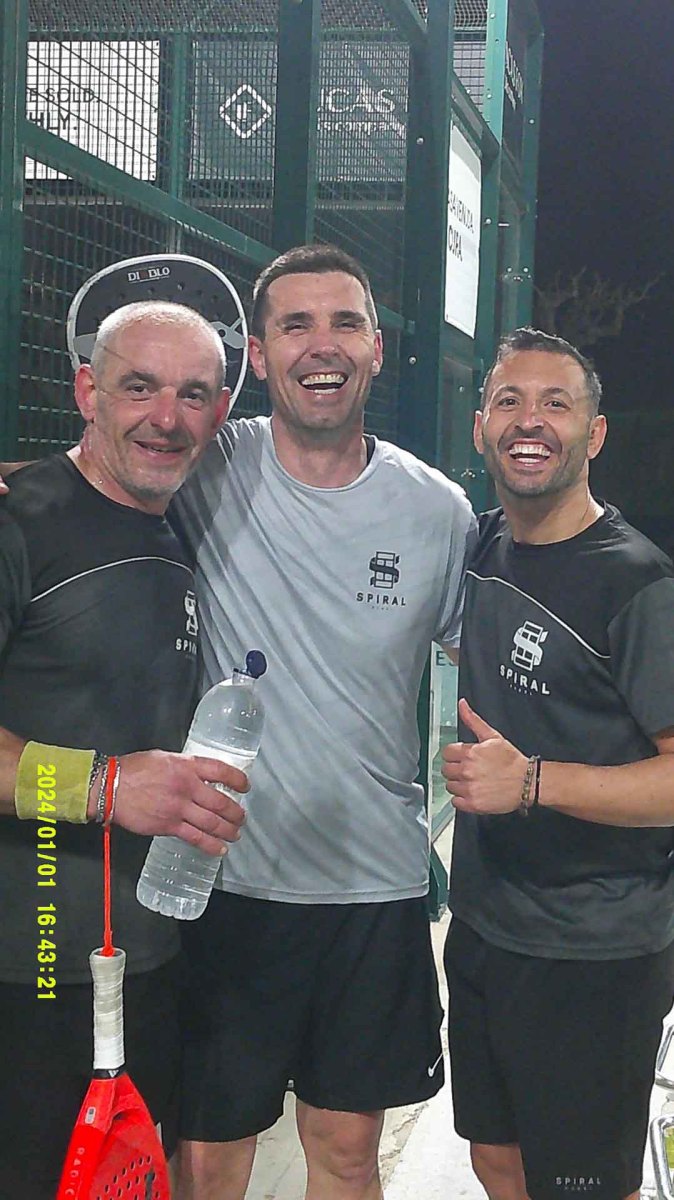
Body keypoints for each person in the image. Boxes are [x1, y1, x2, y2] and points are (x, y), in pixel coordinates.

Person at [171, 244, 477, 1200]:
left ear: (377, 348)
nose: (322, 343)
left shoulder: (438, 512)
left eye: (345, 321)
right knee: (209, 1158)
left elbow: (494, 671)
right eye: (295, 324)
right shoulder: (204, 465)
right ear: (259, 357)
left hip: (371, 890)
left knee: (345, 1155)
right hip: (222, 880)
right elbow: (90, 476)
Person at [0, 300, 249, 1200]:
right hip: (28, 967)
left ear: (220, 412)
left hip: (149, 955)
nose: (166, 417)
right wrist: (103, 786)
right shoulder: (20, 521)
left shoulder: (184, 523)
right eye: (139, 387)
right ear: (86, 392)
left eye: (193, 394)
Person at [441, 327, 674, 1200]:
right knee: (496, 1160)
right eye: (508, 401)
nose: (529, 421)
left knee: (581, 1185)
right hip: (486, 925)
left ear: (594, 433)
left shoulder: (637, 582)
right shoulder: (483, 546)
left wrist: (531, 782)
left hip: (594, 949)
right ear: (481, 428)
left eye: (555, 404)